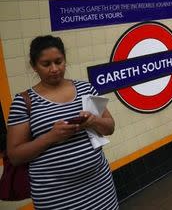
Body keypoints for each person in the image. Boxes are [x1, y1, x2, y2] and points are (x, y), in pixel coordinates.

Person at [7, 35, 118, 209]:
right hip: (55, 195)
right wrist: (51, 137)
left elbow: (110, 127)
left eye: (59, 62)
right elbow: (14, 155)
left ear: (65, 60)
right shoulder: (24, 102)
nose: (54, 69)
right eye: (46, 64)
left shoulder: (86, 89)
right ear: (34, 66)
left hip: (100, 187)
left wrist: (93, 121)